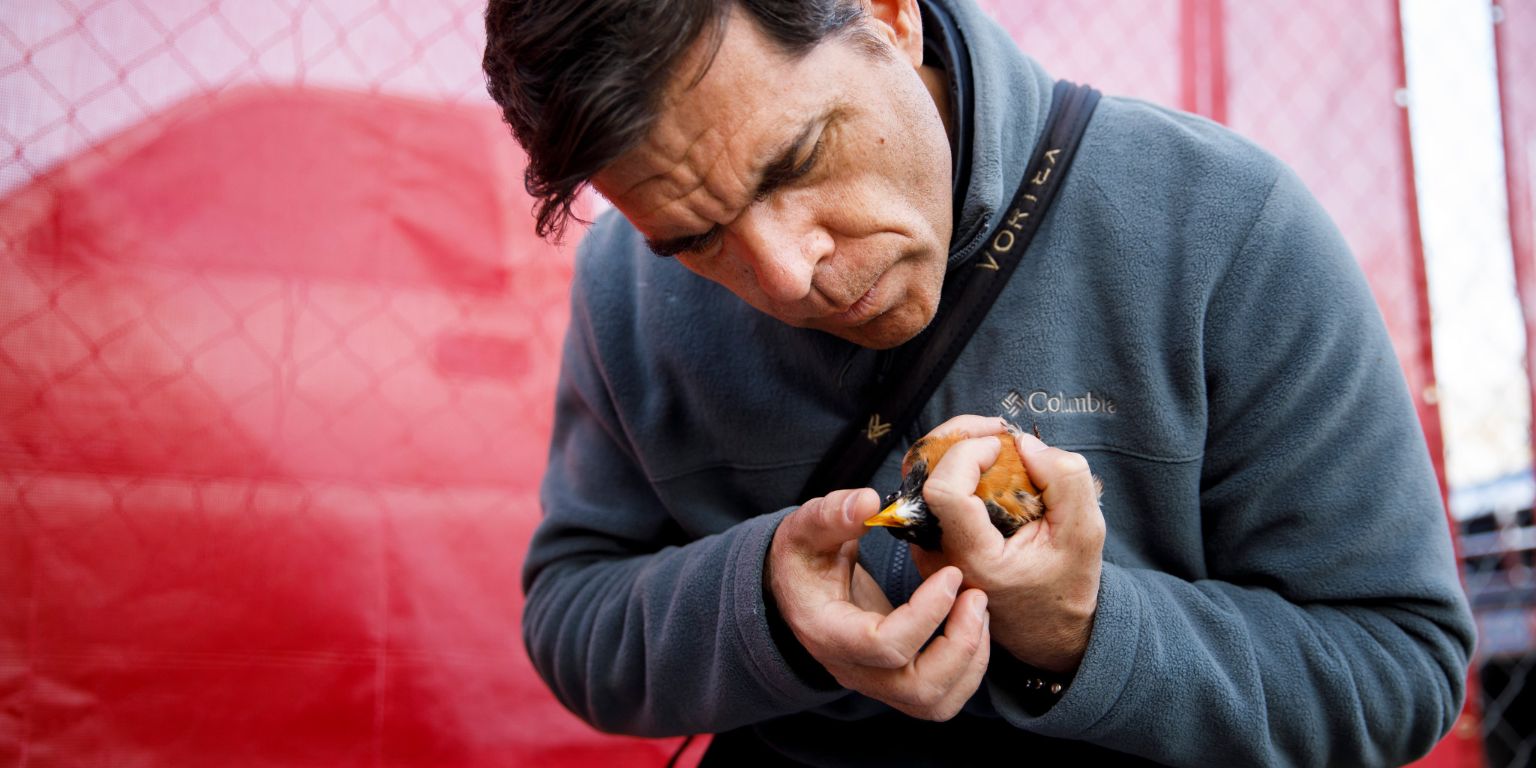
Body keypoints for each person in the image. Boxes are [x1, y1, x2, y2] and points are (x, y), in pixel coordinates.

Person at [482, 0, 1476, 764]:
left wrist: (1080, 630)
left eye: (795, 161)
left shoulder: (1223, 222)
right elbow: (574, 619)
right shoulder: (625, 286)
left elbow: (1399, 667)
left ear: (887, 15)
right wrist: (765, 609)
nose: (788, 276)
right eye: (698, 238)